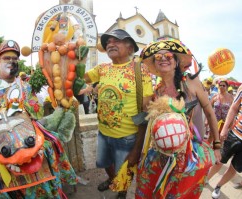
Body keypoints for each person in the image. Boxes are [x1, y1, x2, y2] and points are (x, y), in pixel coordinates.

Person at [0, 40, 77, 198]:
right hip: (2, 142)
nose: (11, 61)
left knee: (52, 144)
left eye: (14, 59)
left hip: (30, 137)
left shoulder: (26, 86)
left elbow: (36, 114)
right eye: (6, 58)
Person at [136, 38, 221, 198]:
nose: (163, 59)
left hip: (192, 156)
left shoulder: (192, 82)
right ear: (154, 64)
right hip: (162, 155)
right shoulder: (156, 91)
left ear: (176, 61)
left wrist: (216, 145)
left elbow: (210, 113)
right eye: (158, 57)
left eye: (168, 55)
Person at [83, 29, 153, 199]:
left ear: (130, 48)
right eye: (108, 42)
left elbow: (147, 109)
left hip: (127, 135)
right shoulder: (102, 68)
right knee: (106, 163)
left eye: (117, 41)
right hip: (104, 131)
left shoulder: (140, 70)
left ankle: (122, 191)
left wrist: (138, 147)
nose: (110, 44)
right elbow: (81, 77)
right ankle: (112, 179)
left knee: (125, 168)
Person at [211, 85, 242, 198]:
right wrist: (224, 129)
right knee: (219, 161)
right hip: (235, 134)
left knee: (234, 168)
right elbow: (234, 107)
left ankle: (218, 186)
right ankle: (204, 180)